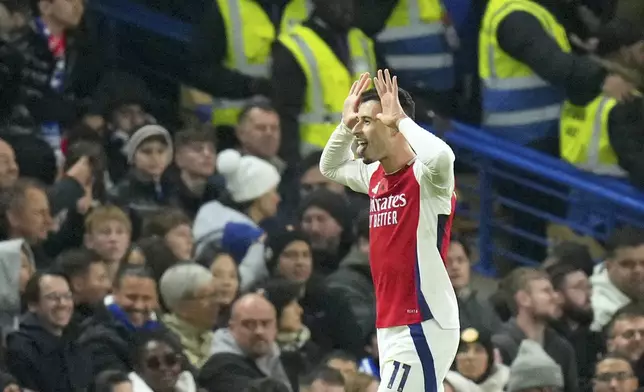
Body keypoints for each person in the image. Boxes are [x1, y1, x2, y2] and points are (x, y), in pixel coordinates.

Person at [320, 69, 459, 391]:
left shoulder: (427, 179)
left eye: (367, 121)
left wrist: (403, 122)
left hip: (423, 319)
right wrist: (345, 124)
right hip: (391, 323)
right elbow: (330, 166)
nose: (358, 130)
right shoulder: (375, 178)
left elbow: (443, 155)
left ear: (394, 126)